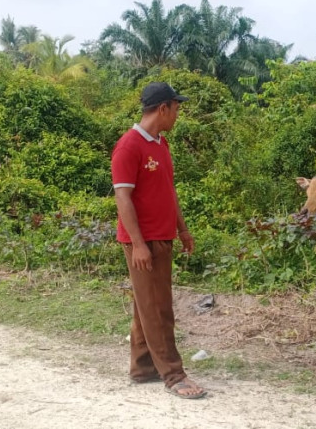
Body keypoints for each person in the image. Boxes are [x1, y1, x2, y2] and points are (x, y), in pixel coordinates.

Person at [111, 81, 205, 399]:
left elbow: (168, 190)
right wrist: (138, 245)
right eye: (176, 108)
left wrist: (183, 229)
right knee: (159, 309)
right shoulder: (129, 146)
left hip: (163, 237)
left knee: (146, 306)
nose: (177, 114)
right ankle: (174, 375)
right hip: (143, 241)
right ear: (162, 108)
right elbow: (123, 198)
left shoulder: (161, 144)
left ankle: (143, 368)